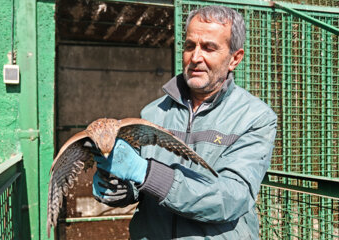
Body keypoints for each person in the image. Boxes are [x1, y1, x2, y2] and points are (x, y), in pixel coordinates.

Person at [90, 5, 277, 239]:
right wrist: (118, 189)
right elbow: (139, 189)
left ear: (234, 59)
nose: (195, 57)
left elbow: (230, 198)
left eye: (209, 48)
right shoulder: (153, 112)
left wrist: (144, 172)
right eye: (190, 46)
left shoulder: (255, 117)